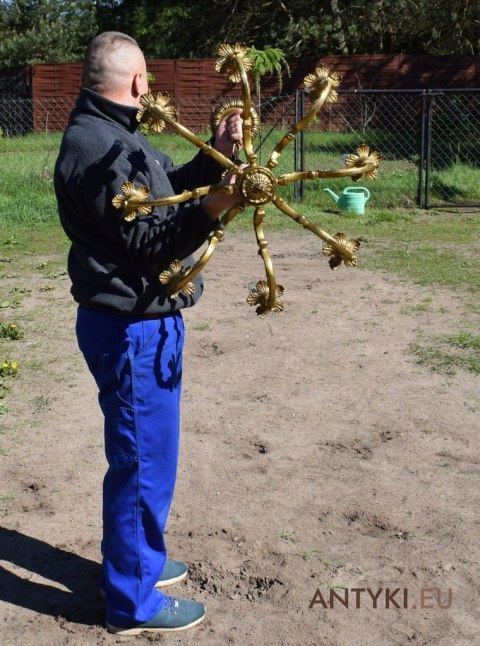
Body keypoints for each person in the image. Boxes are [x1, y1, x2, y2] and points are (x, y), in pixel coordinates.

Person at [54, 31, 242, 635]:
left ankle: (141, 562)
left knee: (150, 459)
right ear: (139, 82)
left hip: (139, 323)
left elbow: (170, 194)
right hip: (130, 327)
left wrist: (214, 154)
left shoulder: (114, 135)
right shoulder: (98, 147)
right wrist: (215, 208)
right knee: (142, 465)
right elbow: (155, 244)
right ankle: (132, 603)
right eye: (149, 80)